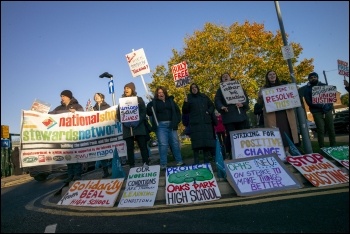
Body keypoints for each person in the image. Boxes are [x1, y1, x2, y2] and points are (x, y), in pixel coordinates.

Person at [258, 71, 299, 156]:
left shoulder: (284, 86)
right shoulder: (263, 89)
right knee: (275, 132)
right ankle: (278, 152)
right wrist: (260, 96)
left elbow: (292, 97)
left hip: (284, 113)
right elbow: (259, 103)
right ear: (267, 77)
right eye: (270, 75)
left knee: (286, 131)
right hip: (272, 114)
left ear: (276, 76)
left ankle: (287, 151)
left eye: (274, 74)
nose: (272, 76)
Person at [49, 90, 84, 183]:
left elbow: (84, 116)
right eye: (61, 96)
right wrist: (37, 113)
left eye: (63, 96)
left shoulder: (77, 106)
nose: (62, 98)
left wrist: (76, 112)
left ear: (69, 97)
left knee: (76, 156)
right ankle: (70, 175)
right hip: (64, 136)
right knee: (68, 156)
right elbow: (48, 116)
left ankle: (77, 175)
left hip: (74, 135)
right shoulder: (58, 108)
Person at [146, 86, 185, 170]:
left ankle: (179, 161)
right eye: (159, 92)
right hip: (161, 125)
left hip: (172, 124)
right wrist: (150, 104)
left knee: (175, 143)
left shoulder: (170, 101)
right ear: (157, 94)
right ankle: (163, 164)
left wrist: (177, 120)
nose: (161, 94)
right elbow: (149, 112)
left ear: (165, 93)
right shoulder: (154, 102)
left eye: (162, 92)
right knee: (163, 144)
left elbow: (177, 111)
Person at [214, 73, 250, 159]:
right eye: (223, 76)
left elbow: (246, 99)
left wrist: (242, 104)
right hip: (228, 116)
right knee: (230, 136)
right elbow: (217, 100)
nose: (225, 77)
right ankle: (231, 153)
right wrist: (221, 107)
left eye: (227, 76)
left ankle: (244, 152)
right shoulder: (220, 90)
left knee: (242, 135)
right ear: (221, 80)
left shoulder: (238, 87)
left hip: (240, 116)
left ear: (230, 78)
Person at [118, 82, 150, 168]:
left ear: (132, 89)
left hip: (139, 127)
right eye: (125, 88)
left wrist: (138, 121)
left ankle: (146, 163)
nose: (126, 90)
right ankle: (132, 165)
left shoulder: (138, 99)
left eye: (128, 88)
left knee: (142, 146)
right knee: (130, 148)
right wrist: (124, 122)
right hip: (127, 129)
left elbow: (143, 111)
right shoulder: (121, 101)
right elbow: (118, 114)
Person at [182, 83, 216, 165]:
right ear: (190, 90)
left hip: (205, 123)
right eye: (192, 88)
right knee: (196, 145)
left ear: (198, 88)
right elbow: (185, 111)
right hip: (195, 124)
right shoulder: (188, 98)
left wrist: (209, 112)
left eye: (195, 87)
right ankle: (196, 163)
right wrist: (185, 103)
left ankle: (206, 162)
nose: (194, 89)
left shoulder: (204, 97)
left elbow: (212, 106)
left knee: (206, 145)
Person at [303, 72, 336, 148]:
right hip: (316, 111)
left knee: (331, 128)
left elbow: (330, 98)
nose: (313, 78)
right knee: (320, 129)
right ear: (309, 79)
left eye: (314, 77)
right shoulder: (307, 89)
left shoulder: (324, 86)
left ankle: (334, 146)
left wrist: (328, 107)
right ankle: (322, 147)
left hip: (327, 110)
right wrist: (319, 106)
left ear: (317, 77)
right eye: (311, 78)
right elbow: (308, 102)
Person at [92, 92, 111, 178]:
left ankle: (114, 167)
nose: (96, 97)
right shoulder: (93, 108)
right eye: (95, 96)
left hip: (107, 132)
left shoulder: (107, 107)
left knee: (110, 150)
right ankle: (105, 171)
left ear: (102, 98)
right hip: (98, 133)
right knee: (101, 152)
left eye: (97, 96)